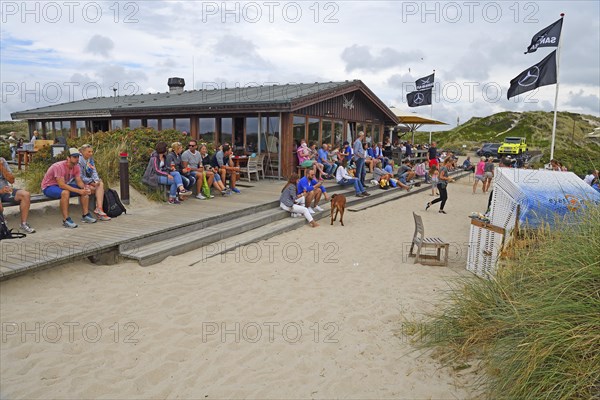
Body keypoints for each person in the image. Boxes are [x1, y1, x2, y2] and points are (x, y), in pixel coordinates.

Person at [41, 148, 97, 228]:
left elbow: (79, 181)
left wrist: (85, 188)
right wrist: (78, 191)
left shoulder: (76, 166)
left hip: (63, 185)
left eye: (78, 157)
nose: (77, 159)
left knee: (84, 190)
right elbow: (62, 185)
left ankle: (85, 215)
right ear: (68, 157)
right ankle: (66, 220)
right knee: (65, 193)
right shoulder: (59, 166)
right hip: (49, 186)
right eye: (74, 157)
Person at [0, 157, 35, 233]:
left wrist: (2, 167)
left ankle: (24, 224)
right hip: (1, 191)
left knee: (25, 195)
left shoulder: (2, 161)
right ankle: (2, 225)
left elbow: (12, 180)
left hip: (5, 190)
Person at [78, 144, 111, 221]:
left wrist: (96, 180)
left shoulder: (90, 159)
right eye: (88, 152)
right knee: (92, 189)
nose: (91, 153)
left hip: (89, 181)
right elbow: (80, 176)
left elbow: (94, 171)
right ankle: (93, 212)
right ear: (82, 152)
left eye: (92, 152)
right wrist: (91, 182)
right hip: (80, 182)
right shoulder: (79, 160)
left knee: (100, 184)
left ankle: (99, 208)